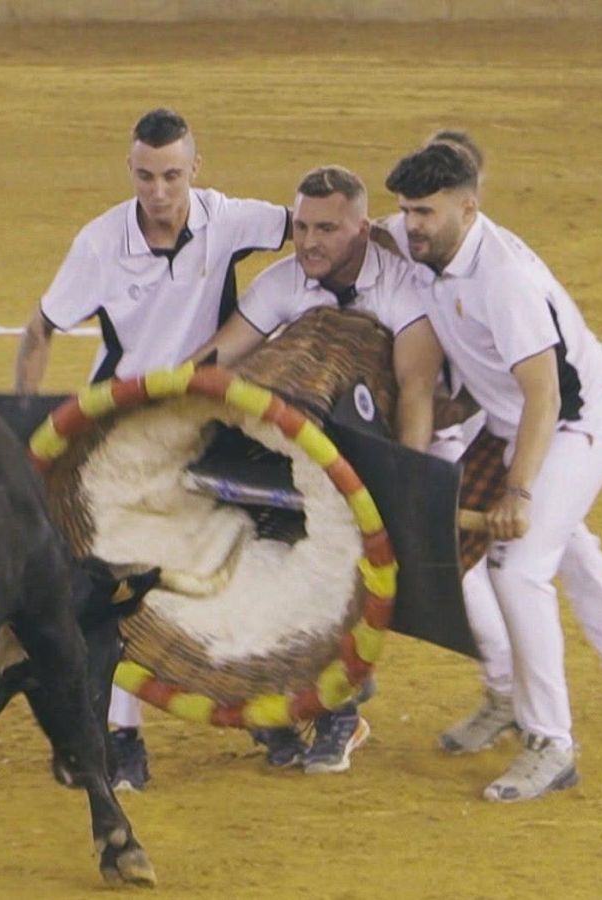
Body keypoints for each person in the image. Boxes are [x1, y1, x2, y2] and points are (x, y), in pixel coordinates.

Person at [385, 141, 602, 802]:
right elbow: (358, 235)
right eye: (406, 210)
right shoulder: (420, 241)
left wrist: (520, 490)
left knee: (519, 565)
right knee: (561, 549)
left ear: (467, 209)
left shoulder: (502, 280)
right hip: (513, 423)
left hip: (577, 426)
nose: (412, 224)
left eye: (426, 212)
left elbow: (545, 396)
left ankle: (551, 743)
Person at [14, 108, 290, 791]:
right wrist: (23, 418)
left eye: (172, 175)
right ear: (130, 172)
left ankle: (262, 713)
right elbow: (41, 327)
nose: (159, 191)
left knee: (225, 568)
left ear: (196, 170)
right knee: (118, 581)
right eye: (145, 176)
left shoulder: (227, 219)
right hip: (122, 433)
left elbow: (314, 227)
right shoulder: (100, 243)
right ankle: (124, 737)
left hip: (207, 425)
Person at [190, 164, 444, 774]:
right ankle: (277, 707)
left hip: (389, 443)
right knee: (262, 559)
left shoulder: (403, 287)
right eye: (301, 227)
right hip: (303, 454)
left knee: (340, 576)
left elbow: (416, 389)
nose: (308, 242)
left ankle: (341, 713)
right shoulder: (285, 281)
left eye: (326, 229)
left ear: (362, 228)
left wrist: (406, 478)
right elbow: (219, 357)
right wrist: (170, 400)